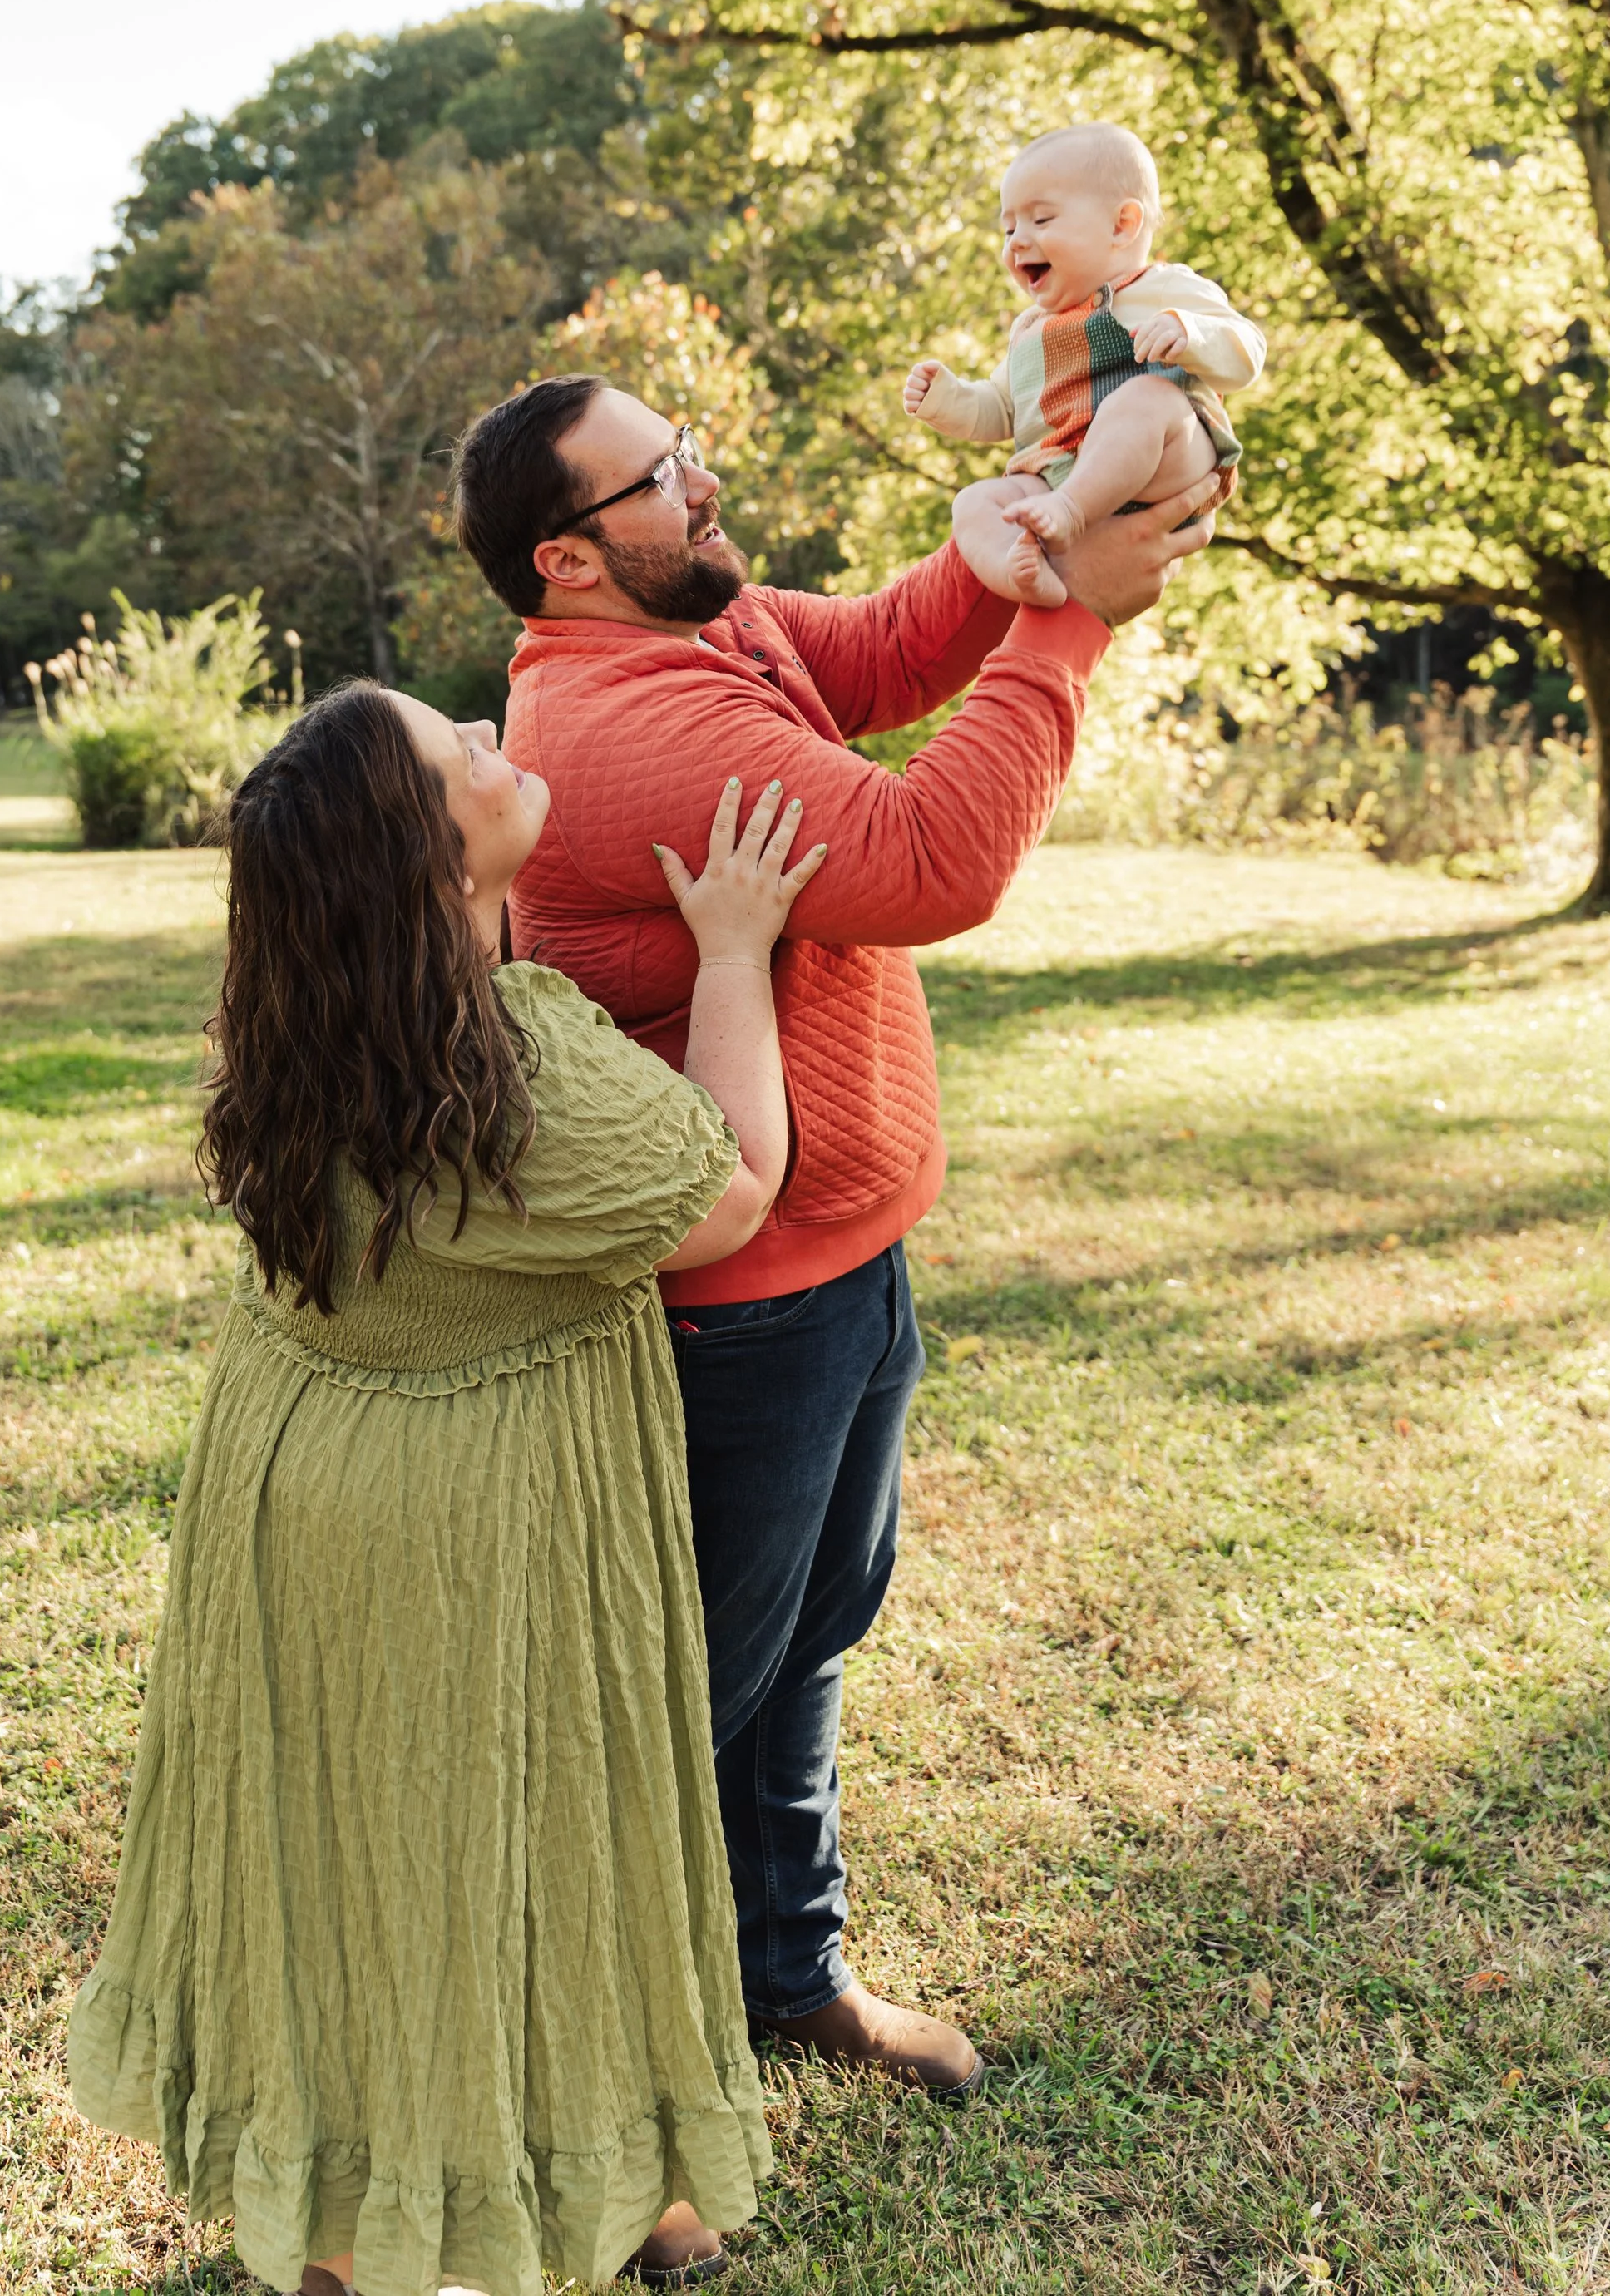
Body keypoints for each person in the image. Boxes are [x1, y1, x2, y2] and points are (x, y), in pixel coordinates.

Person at [452, 374, 1219, 2098]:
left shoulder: (705, 637)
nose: (705, 479)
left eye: (687, 445)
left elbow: (879, 647)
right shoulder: (627, 729)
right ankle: (581, 2076)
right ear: (566, 560)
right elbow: (931, 854)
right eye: (661, 475)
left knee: (805, 1644)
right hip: (731, 1312)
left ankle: (783, 1976)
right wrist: (1067, 629)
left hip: (842, 1268)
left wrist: (1022, 551)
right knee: (673, 1705)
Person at [68, 680, 830, 2296]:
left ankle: (409, 2217)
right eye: (459, 755)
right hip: (468, 1517)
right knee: (531, 1832)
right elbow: (736, 1187)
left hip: (291, 1493)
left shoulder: (301, 1032)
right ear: (424, 867)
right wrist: (733, 952)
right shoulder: (517, 1080)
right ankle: (548, 2201)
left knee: (348, 1853)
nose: (499, 747)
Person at [906, 120, 1266, 608]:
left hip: (1166, 463)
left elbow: (1247, 349)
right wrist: (947, 400)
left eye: (1041, 220)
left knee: (1147, 398)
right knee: (972, 503)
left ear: (1122, 225)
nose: (1016, 241)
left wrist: (1190, 331)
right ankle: (1023, 578)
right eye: (1009, 227)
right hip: (1060, 476)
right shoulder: (1031, 330)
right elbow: (1001, 410)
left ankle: (1070, 514)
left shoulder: (1161, 287)